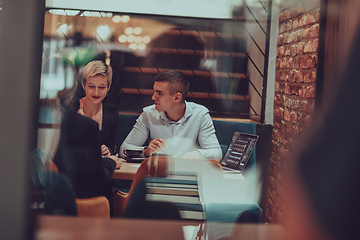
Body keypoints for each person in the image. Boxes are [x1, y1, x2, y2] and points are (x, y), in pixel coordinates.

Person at [120, 69, 222, 161]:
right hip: (157, 175)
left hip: (189, 175)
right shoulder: (148, 114)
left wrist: (198, 154)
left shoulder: (200, 115)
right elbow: (124, 149)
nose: (153, 97)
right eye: (154, 91)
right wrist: (145, 151)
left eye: (159, 93)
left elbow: (216, 153)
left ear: (177, 97)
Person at [53, 103, 123, 207]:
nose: (96, 92)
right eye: (91, 86)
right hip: (86, 204)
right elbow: (96, 179)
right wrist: (110, 162)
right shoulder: (85, 125)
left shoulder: (34, 117)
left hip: (49, 198)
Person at [69, 60, 118, 156]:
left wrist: (107, 151)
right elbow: (66, 150)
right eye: (91, 86)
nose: (96, 92)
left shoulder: (112, 113)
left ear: (108, 87)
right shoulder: (71, 109)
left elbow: (111, 148)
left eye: (102, 87)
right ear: (83, 85)